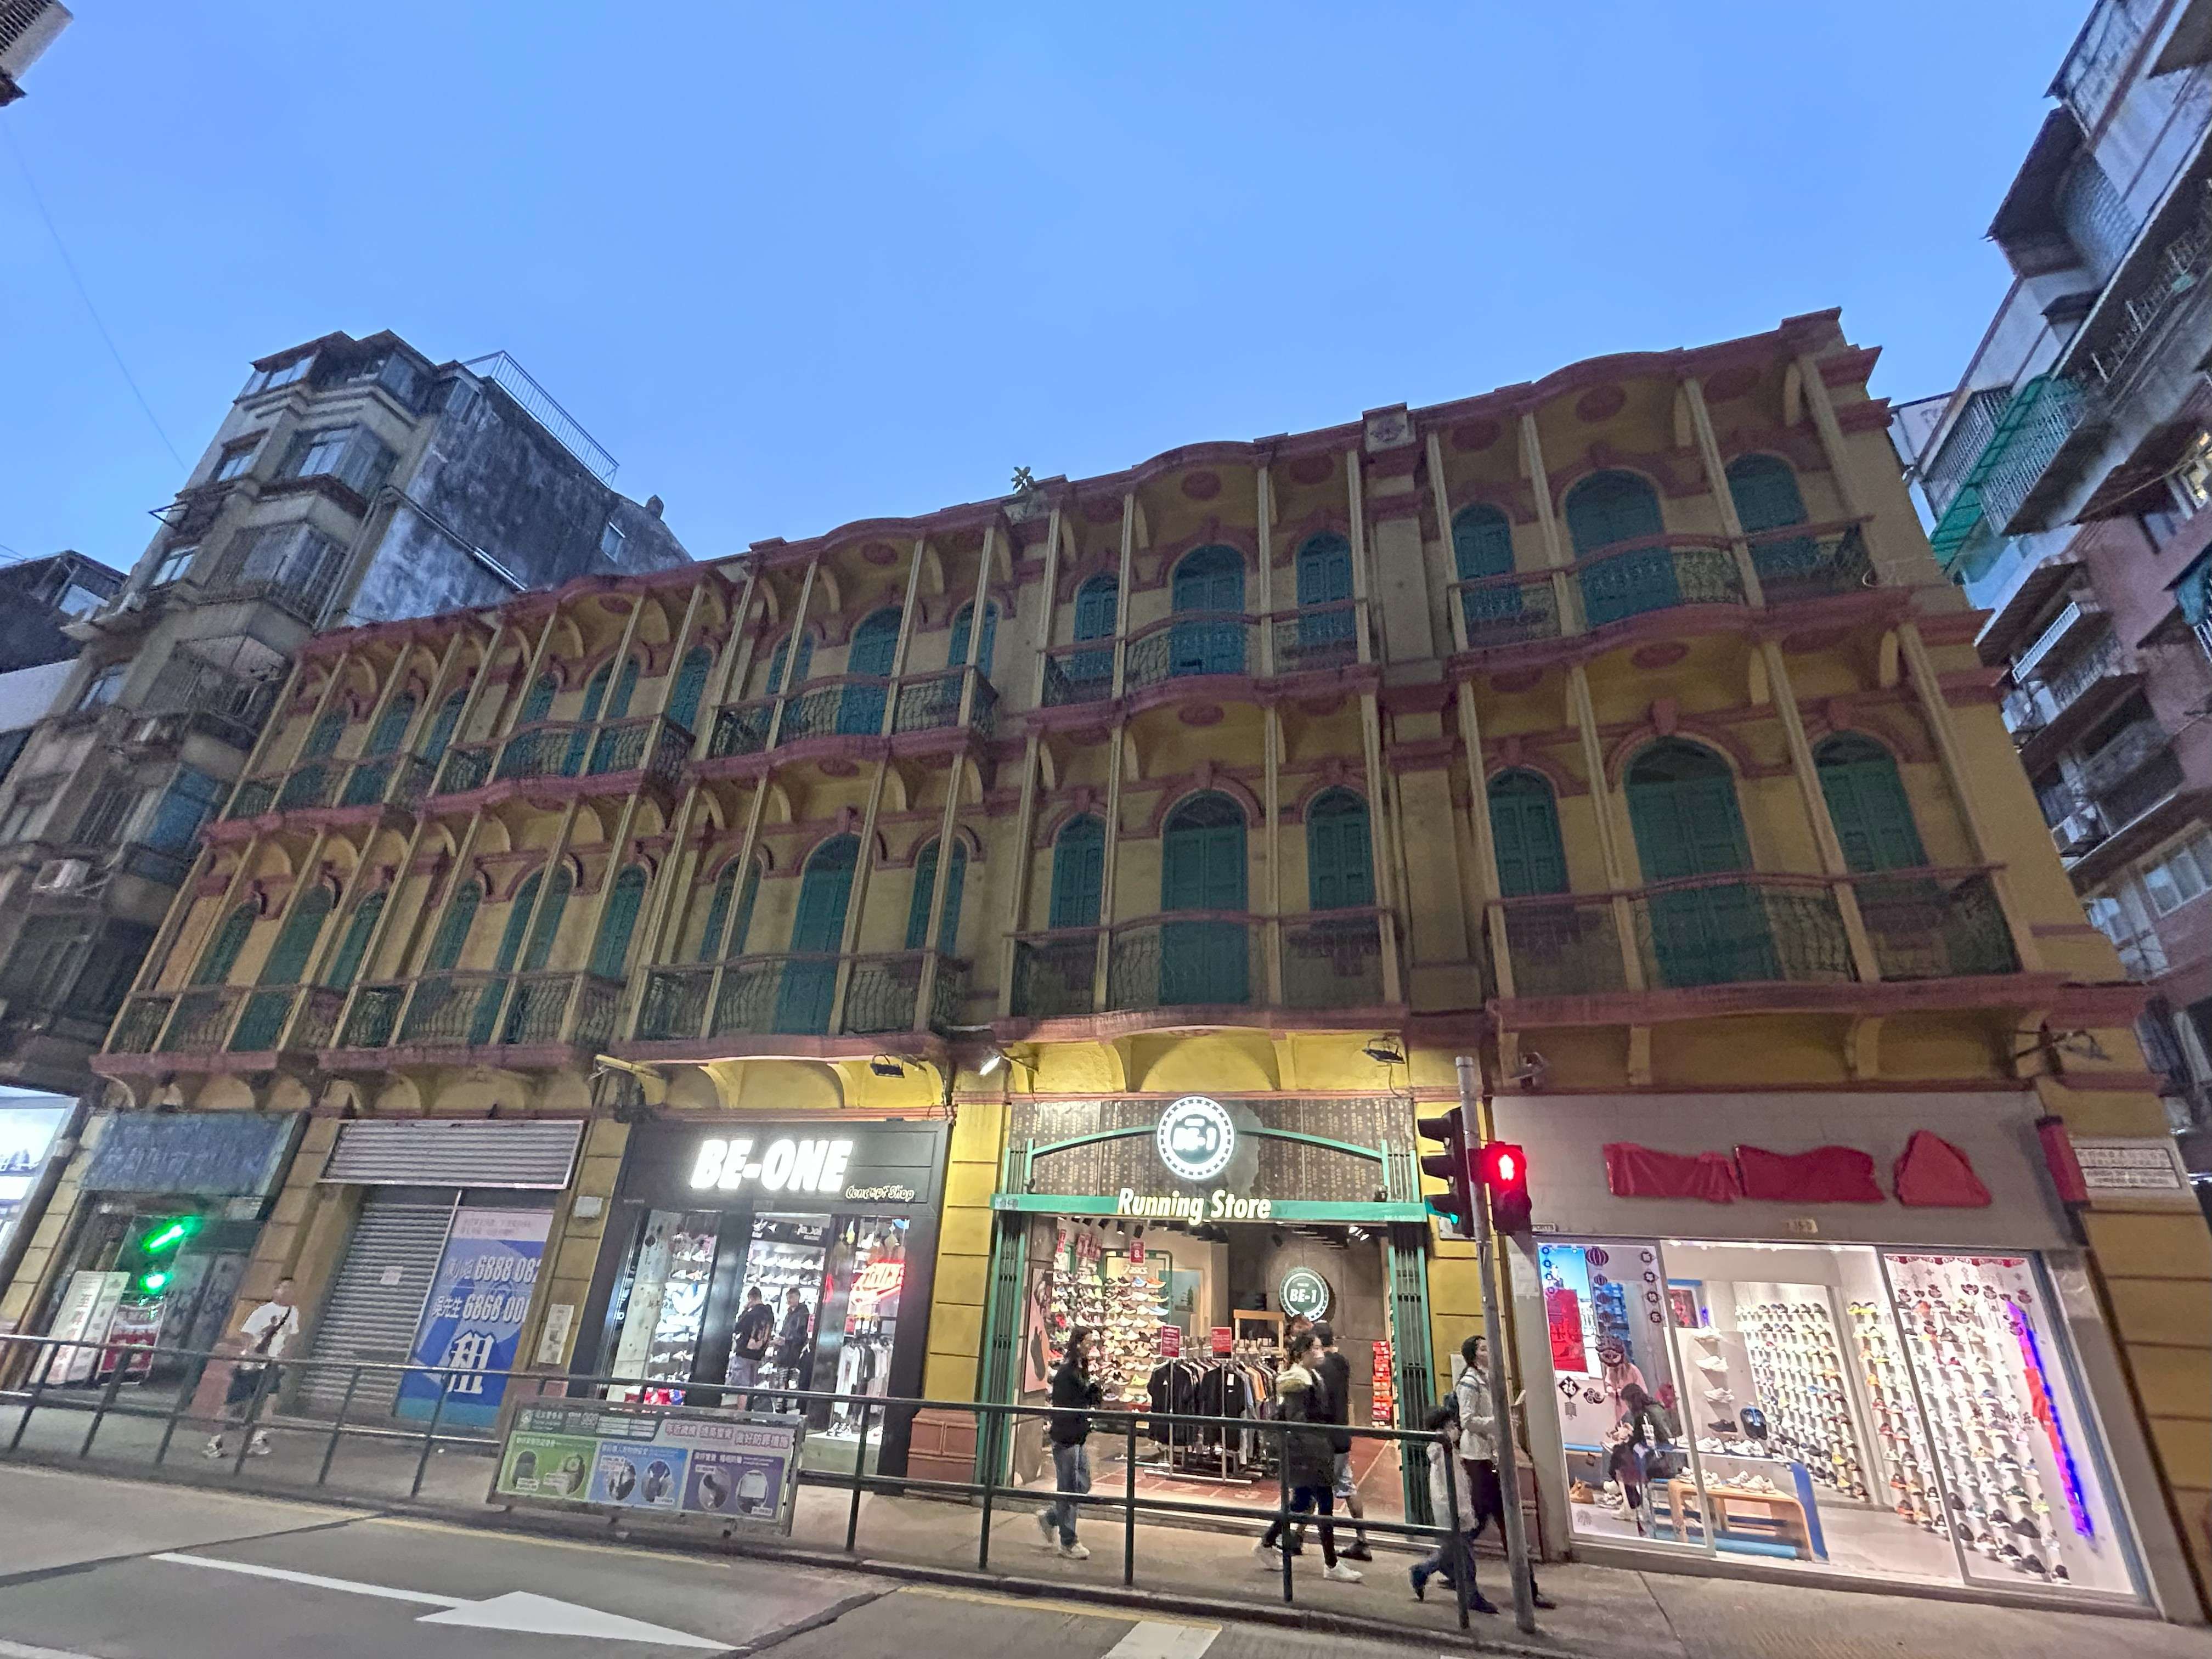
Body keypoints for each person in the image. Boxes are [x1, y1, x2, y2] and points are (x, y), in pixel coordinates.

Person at [1454, 1333, 1556, 1610]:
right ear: (1473, 1356)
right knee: (1499, 1523)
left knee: (1487, 1523)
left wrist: (1504, 1420)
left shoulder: (1488, 1379)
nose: (1488, 1352)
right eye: (1483, 1349)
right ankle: (1526, 1590)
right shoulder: (1469, 1383)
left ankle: (1449, 1566)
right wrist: (1498, 1421)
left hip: (1491, 1457)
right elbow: (1468, 1420)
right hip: (1478, 1459)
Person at [1252, 1330, 1362, 1582]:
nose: (1321, 1352)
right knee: (1323, 1504)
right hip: (1309, 1453)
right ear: (1303, 1353)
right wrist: (1318, 1448)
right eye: (1316, 1348)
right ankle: (1331, 1564)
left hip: (1312, 1450)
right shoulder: (1298, 1381)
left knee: (1300, 1503)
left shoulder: (1311, 1376)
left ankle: (1266, 1543)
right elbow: (1298, 1420)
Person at [1409, 1400, 1494, 1612]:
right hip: (1454, 1513)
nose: (1455, 1429)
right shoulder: (1444, 1455)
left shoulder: (1445, 1452)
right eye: (1451, 1426)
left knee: (1451, 1552)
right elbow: (1453, 1488)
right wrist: (1463, 1513)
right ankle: (1471, 1596)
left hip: (1453, 1512)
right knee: (1465, 1558)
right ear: (1442, 1430)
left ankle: (1422, 1572)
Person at [204, 1277, 298, 1459]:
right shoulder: (263, 1312)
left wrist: (283, 1361)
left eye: (292, 1289)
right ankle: (214, 1442)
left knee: (269, 1401)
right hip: (251, 1365)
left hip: (272, 1365)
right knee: (232, 1404)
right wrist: (250, 1356)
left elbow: (289, 1338)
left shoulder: (293, 1312)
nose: (288, 1292)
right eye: (284, 1288)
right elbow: (246, 1336)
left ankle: (258, 1438)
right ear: (275, 1290)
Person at [1307, 1321, 1370, 1560]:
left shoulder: (1320, 1368)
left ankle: (1298, 1538)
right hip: (1342, 1435)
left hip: (1325, 1438)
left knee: (1315, 1488)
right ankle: (1362, 1541)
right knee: (1347, 1486)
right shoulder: (1342, 1362)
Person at [1037, 1325, 1101, 1560]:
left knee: (1082, 1485)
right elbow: (1066, 1403)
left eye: (1092, 1342)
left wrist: (1091, 1394)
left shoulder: (1080, 1368)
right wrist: (1087, 1395)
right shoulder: (1067, 1372)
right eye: (1088, 1342)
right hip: (1067, 1438)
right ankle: (1068, 1541)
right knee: (1069, 1489)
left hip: (1078, 1436)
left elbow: (1085, 1398)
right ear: (1078, 1343)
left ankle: (1051, 1518)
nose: (1091, 1346)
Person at [727, 1286, 775, 1392]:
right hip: (758, 1354)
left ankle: (742, 1403)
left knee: (741, 1387)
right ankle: (747, 1402)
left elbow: (737, 1328)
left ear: (751, 1298)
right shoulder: (770, 1314)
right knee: (750, 1386)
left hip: (745, 1353)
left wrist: (745, 1310)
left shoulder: (751, 1314)